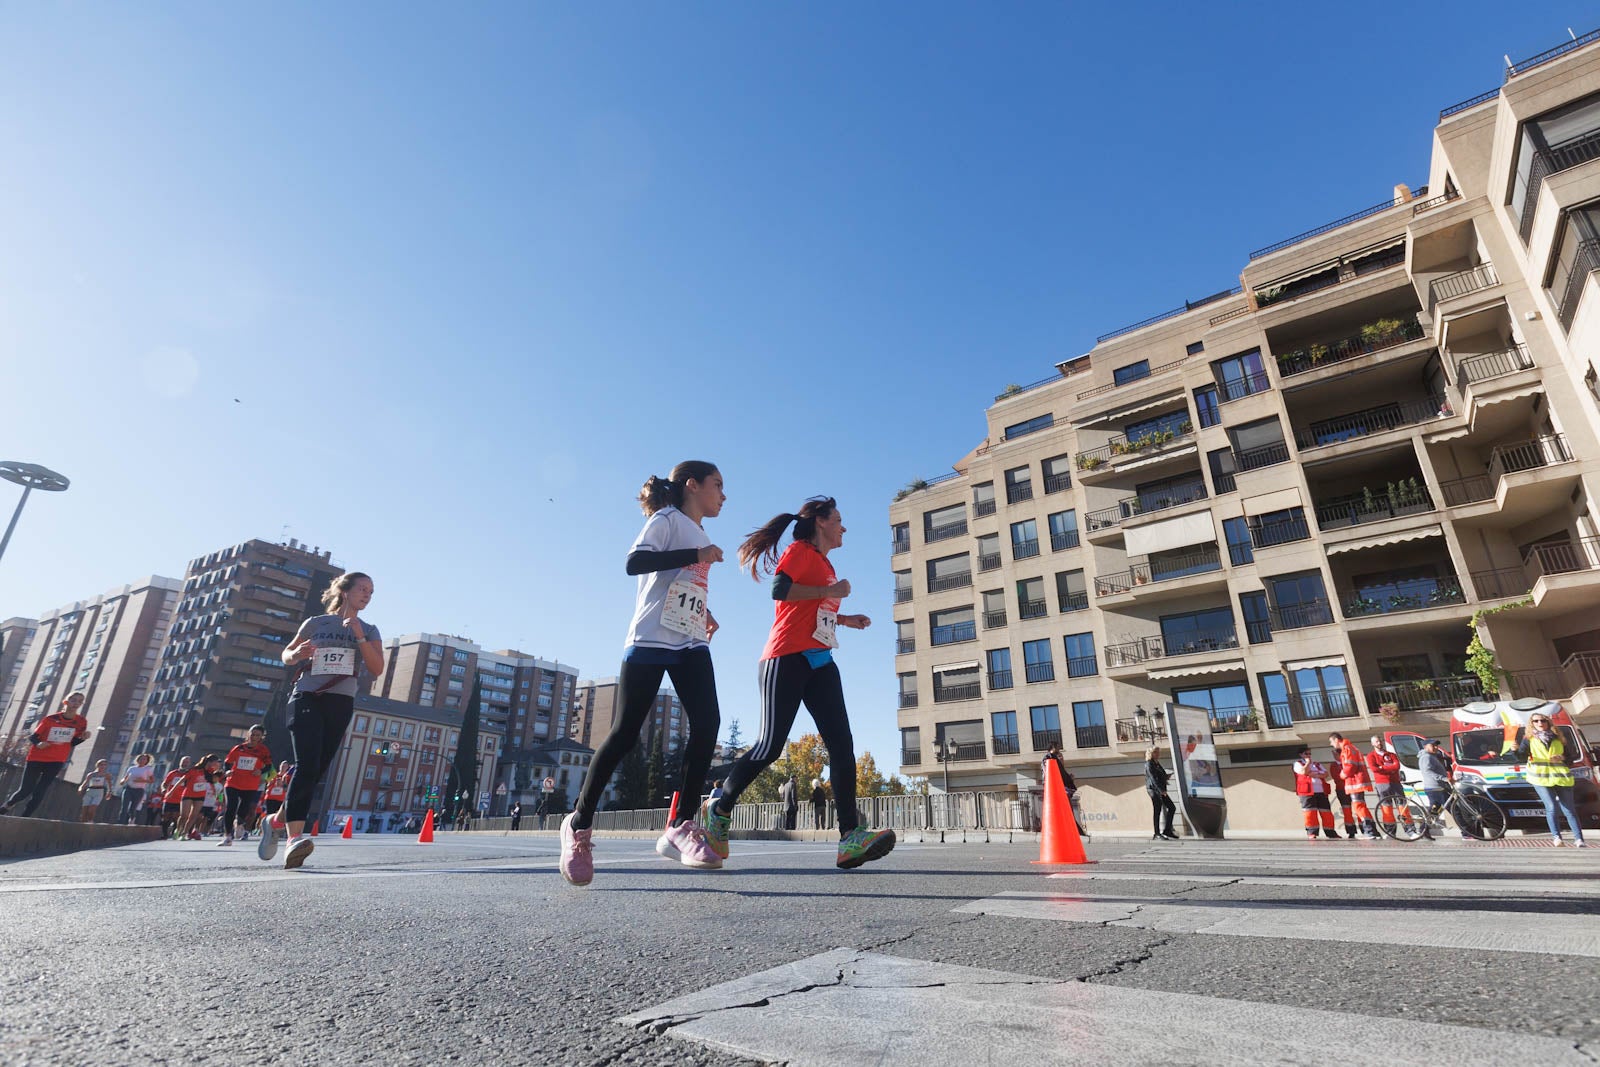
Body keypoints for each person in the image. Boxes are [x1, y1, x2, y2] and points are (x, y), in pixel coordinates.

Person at [701, 496, 896, 870]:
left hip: (820, 661)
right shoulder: (800, 551)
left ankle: (849, 837)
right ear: (820, 522)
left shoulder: (824, 563)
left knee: (842, 745)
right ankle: (719, 809)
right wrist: (831, 592)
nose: (843, 527)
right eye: (838, 520)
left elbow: (811, 611)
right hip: (785, 658)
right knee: (770, 746)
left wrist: (845, 618)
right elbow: (780, 590)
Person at [561, 463, 727, 887]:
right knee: (625, 734)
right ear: (692, 485)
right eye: (718, 486)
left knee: (708, 724)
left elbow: (676, 584)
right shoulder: (666, 519)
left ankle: (680, 826)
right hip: (650, 641)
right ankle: (578, 825)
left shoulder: (701, 534)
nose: (724, 496)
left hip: (689, 641)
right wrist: (697, 555)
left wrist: (703, 611)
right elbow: (636, 563)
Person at [260, 572, 384, 870]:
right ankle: (294, 839)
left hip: (340, 701)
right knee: (307, 764)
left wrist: (359, 635)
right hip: (307, 695)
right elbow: (287, 654)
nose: (368, 595)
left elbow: (377, 667)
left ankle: (276, 820)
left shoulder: (369, 628)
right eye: (363, 589)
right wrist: (296, 654)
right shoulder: (315, 623)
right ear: (345, 591)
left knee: (316, 771)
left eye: (372, 591)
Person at [0, 691, 91, 818]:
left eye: (79, 701)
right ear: (66, 701)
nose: (76, 703)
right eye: (73, 700)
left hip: (56, 760)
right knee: (25, 790)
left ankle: (24, 818)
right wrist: (39, 743)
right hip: (36, 758)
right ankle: (6, 807)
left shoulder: (81, 722)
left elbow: (71, 742)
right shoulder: (51, 719)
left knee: (40, 791)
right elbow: (33, 737)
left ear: (82, 704)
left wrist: (83, 738)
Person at [1513, 712, 1586, 847]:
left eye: (1543, 720)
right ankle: (1557, 837)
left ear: (1548, 722)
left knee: (1569, 809)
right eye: (1536, 721)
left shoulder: (1558, 738)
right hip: (1541, 779)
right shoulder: (1528, 739)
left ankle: (1579, 839)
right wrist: (1515, 750)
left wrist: (1562, 758)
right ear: (1531, 723)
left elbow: (1570, 759)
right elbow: (1521, 758)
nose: (1540, 723)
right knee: (1551, 807)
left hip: (1561, 778)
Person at [220, 725, 271, 847]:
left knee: (244, 808)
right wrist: (227, 771)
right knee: (230, 807)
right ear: (248, 734)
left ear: (261, 737)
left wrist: (261, 771)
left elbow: (268, 765)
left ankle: (239, 822)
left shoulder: (263, 750)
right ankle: (227, 836)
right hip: (233, 781)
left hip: (250, 784)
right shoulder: (238, 748)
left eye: (257, 735)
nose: (254, 737)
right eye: (252, 734)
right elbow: (227, 763)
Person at [1331, 733, 1379, 840]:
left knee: (1358, 807)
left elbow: (1350, 766)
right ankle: (1373, 831)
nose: (1331, 744)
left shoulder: (1347, 749)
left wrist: (1343, 774)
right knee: (1362, 806)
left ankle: (1369, 831)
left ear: (1336, 740)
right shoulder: (1352, 748)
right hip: (1357, 781)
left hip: (1354, 782)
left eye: (1331, 742)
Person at [1043, 742, 1089, 840]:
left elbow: (1061, 776)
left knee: (1067, 813)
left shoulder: (1053, 759)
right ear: (1054, 747)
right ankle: (1074, 833)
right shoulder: (1049, 758)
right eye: (1058, 747)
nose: (1060, 750)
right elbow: (1050, 775)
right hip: (1058, 791)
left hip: (1062, 790)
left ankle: (1076, 832)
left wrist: (1069, 779)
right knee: (1065, 813)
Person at [1291, 746, 1338, 841]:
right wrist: (1308, 764)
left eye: (1309, 754)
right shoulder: (1297, 764)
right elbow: (1304, 772)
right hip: (1307, 791)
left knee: (1326, 812)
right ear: (1301, 754)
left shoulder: (1316, 764)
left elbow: (1325, 774)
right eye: (1306, 754)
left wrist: (1314, 774)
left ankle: (1331, 832)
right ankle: (1312, 832)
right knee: (1310, 812)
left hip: (1321, 791)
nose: (1308, 756)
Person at [1365, 735, 1406, 836]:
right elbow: (1374, 769)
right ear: (1372, 744)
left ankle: (1410, 829)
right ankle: (1390, 832)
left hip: (1395, 782)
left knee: (1402, 806)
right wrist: (1389, 767)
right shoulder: (1371, 756)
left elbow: (1397, 766)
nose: (1379, 743)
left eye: (1380, 741)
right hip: (1382, 784)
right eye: (1376, 742)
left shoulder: (1391, 754)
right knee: (1386, 808)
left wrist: (1382, 767)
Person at [179, 755, 220, 840]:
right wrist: (171, 791)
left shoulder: (211, 772)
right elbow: (182, 780)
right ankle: (179, 830)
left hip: (201, 796)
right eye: (216, 762)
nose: (217, 764)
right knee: (184, 815)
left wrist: (219, 800)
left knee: (195, 816)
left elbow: (217, 787)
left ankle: (185, 833)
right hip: (188, 794)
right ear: (210, 762)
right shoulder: (195, 769)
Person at [1145, 744, 1179, 841]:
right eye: (1156, 752)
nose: (1158, 754)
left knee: (1172, 808)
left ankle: (1167, 830)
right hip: (1154, 790)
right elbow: (1153, 778)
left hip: (1160, 789)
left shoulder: (1157, 763)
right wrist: (1161, 791)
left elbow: (1160, 776)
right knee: (1157, 810)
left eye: (1158, 752)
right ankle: (1156, 834)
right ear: (1151, 753)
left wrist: (1167, 776)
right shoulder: (1149, 764)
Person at [1418, 738, 1452, 830]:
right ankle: (1466, 833)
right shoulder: (1426, 757)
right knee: (1453, 809)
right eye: (1433, 745)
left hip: (1437, 787)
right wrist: (1443, 778)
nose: (1436, 747)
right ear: (1425, 747)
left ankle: (1423, 830)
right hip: (1435, 788)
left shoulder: (1432, 756)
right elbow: (1427, 771)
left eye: (1437, 745)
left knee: (1433, 811)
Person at [1327, 745, 1359, 839]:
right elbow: (1337, 777)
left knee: (1358, 808)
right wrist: (1346, 775)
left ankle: (1364, 829)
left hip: (1353, 787)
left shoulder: (1348, 763)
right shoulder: (1333, 765)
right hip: (1342, 789)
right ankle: (1351, 831)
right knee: (1346, 810)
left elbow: (1354, 774)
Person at [118, 753, 155, 824]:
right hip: (128, 788)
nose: (142, 760)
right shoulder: (132, 768)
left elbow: (152, 780)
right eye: (141, 758)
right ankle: (120, 822)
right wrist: (122, 781)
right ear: (137, 759)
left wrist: (142, 780)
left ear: (146, 761)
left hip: (139, 790)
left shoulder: (147, 769)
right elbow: (125, 778)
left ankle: (132, 820)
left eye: (144, 759)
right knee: (124, 807)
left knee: (132, 808)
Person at [158, 757, 190, 839]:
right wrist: (164, 789)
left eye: (186, 762)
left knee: (177, 817)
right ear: (180, 762)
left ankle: (175, 833)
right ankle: (164, 834)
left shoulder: (189, 774)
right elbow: (165, 783)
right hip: (169, 798)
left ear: (189, 764)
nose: (184, 764)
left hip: (181, 799)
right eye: (183, 762)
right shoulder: (173, 773)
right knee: (165, 817)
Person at [258, 762, 292, 830]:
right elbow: (267, 784)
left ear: (287, 768)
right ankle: (268, 830)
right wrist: (271, 783)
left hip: (281, 799)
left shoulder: (287, 777)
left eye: (285, 766)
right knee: (269, 815)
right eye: (282, 766)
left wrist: (282, 784)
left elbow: (288, 788)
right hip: (270, 798)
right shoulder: (274, 775)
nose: (283, 767)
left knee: (280, 815)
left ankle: (280, 830)